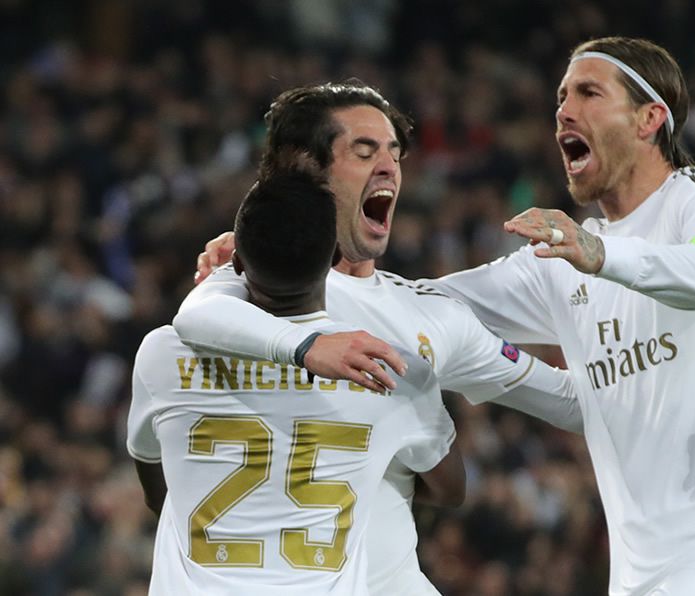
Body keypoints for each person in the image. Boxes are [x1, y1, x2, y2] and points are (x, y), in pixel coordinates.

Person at [193, 37, 695, 594]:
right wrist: (272, 248)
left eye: (588, 92)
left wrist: (599, 253)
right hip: (643, 571)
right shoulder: (560, 264)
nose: (563, 111)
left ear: (649, 118)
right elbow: (416, 305)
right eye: (559, 97)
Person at [176, 82, 582, 595]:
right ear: (303, 164)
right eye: (364, 152)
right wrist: (313, 348)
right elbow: (196, 315)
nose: (389, 167)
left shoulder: (429, 318)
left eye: (395, 152)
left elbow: (572, 403)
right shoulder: (258, 280)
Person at [126, 170, 464, 595]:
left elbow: (157, 491)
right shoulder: (390, 368)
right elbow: (451, 489)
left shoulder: (162, 354)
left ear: (237, 261)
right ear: (333, 257)